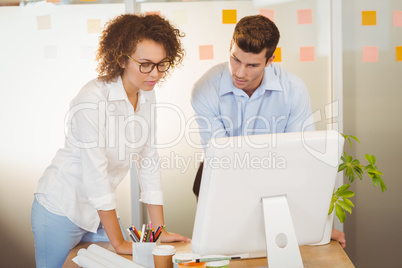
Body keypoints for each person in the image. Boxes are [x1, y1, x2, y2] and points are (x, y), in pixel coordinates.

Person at [31, 14, 190, 267]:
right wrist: (118, 242)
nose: (156, 73)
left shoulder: (147, 95)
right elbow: (96, 174)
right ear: (122, 60)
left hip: (96, 213)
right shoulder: (92, 99)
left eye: (162, 64)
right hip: (60, 209)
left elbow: (148, 159)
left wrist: (159, 230)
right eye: (146, 64)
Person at [190, 15, 346, 249]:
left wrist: (314, 226)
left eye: (252, 65)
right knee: (224, 249)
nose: (240, 72)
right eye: (235, 59)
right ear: (230, 47)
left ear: (270, 59)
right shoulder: (205, 88)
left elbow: (303, 159)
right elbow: (223, 163)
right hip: (221, 178)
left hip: (278, 176)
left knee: (281, 251)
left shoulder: (293, 90)